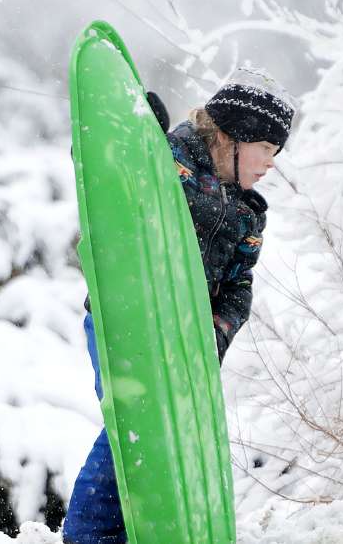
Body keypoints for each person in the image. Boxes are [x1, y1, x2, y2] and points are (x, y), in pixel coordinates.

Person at [61, 66, 296, 544]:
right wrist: (127, 138)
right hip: (124, 315)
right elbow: (100, 180)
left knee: (163, 436)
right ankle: (89, 536)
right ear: (235, 136)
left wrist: (215, 333)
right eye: (267, 149)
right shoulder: (167, 158)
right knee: (132, 424)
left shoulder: (250, 212)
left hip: (187, 341)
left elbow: (238, 288)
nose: (271, 163)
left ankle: (140, 532)